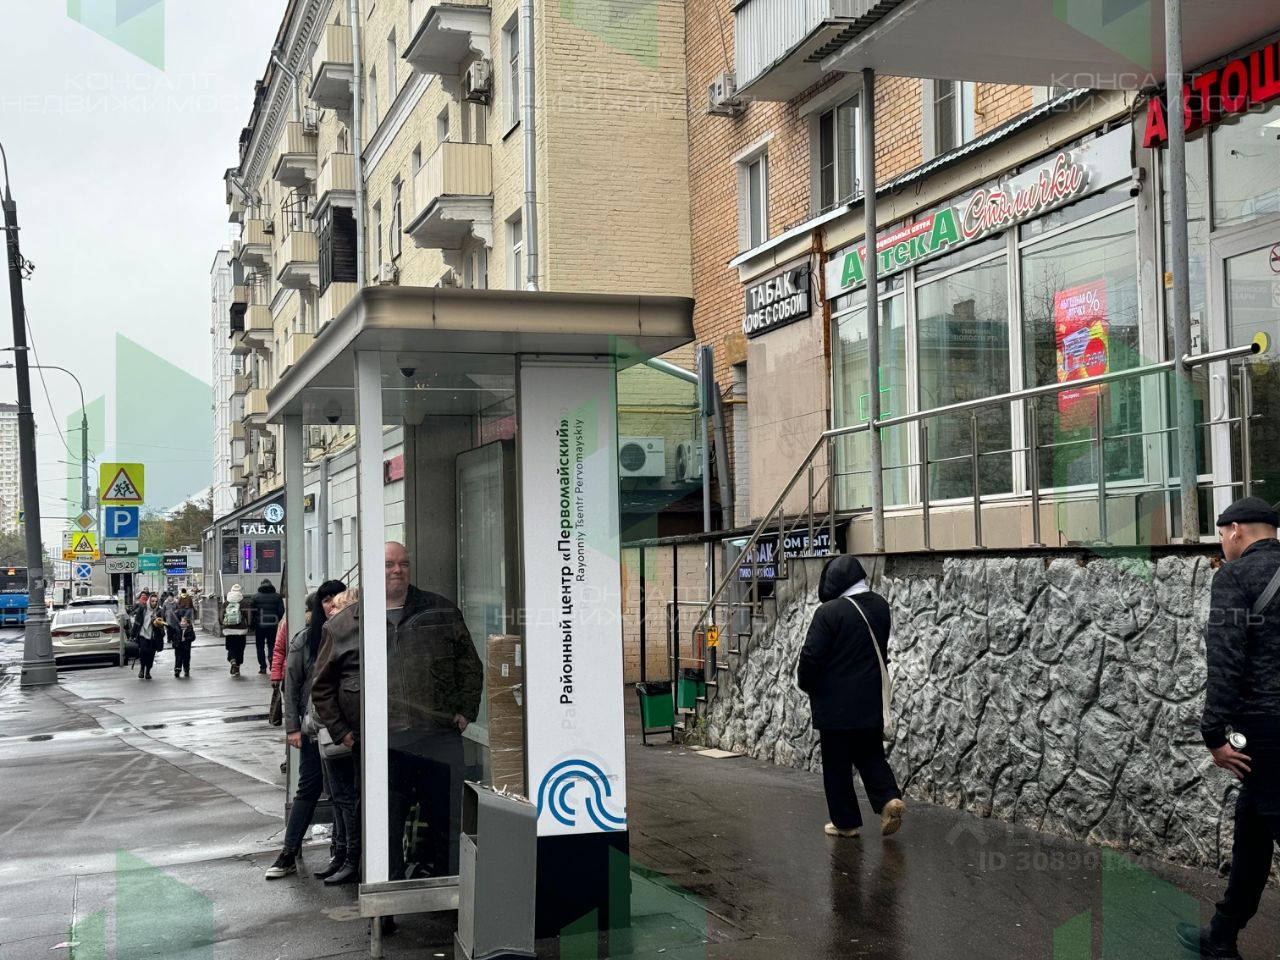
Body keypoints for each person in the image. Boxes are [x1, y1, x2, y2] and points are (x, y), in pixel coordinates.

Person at [312, 542, 483, 881]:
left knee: (449, 823)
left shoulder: (440, 611)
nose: (397, 570)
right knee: (382, 827)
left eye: (403, 563)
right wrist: (344, 733)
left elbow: (470, 666)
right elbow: (322, 687)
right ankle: (388, 898)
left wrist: (465, 710)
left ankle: (452, 893)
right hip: (381, 745)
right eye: (389, 564)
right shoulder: (343, 625)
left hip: (437, 738)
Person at [1177, 497, 1280, 960]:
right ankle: (1222, 935)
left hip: (1264, 729)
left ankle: (1222, 936)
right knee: (1252, 832)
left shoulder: (1235, 578)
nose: (1222, 543)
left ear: (1236, 530)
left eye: (1221, 535)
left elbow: (1226, 660)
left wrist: (1214, 734)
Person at [797, 554, 905, 840]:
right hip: (870, 700)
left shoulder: (829, 612)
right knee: (871, 755)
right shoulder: (880, 606)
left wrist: (805, 683)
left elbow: (811, 656)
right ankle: (889, 799)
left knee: (837, 765)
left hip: (835, 706)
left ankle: (845, 824)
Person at [264, 580, 348, 880]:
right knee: (309, 788)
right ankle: (288, 851)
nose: (331, 604)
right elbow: (291, 685)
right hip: (313, 729)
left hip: (344, 729)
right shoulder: (305, 640)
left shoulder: (352, 635)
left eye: (336, 598)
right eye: (325, 599)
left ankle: (341, 851)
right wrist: (292, 728)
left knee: (342, 792)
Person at [250, 578, 284, 675]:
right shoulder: (277, 597)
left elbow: (252, 613)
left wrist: (252, 624)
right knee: (272, 645)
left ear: (261, 585)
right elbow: (281, 611)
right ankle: (271, 659)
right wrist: (277, 620)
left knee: (260, 646)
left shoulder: (255, 597)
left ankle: (263, 667)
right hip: (273, 626)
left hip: (259, 626)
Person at [131, 594, 165, 681]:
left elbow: (162, 623)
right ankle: (142, 669)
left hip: (153, 636)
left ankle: (148, 672)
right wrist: (133, 634)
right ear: (149, 601)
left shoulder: (159, 611)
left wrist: (156, 621)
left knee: (151, 654)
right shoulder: (143, 609)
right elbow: (137, 622)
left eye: (156, 601)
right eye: (152, 601)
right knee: (143, 652)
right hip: (143, 633)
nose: (154, 603)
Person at [222, 583, 251, 677]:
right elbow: (249, 615)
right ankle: (237, 668)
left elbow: (221, 616)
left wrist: (222, 624)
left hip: (228, 630)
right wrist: (249, 625)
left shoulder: (226, 603)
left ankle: (232, 660)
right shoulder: (243, 602)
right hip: (241, 630)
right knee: (240, 649)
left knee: (230, 647)